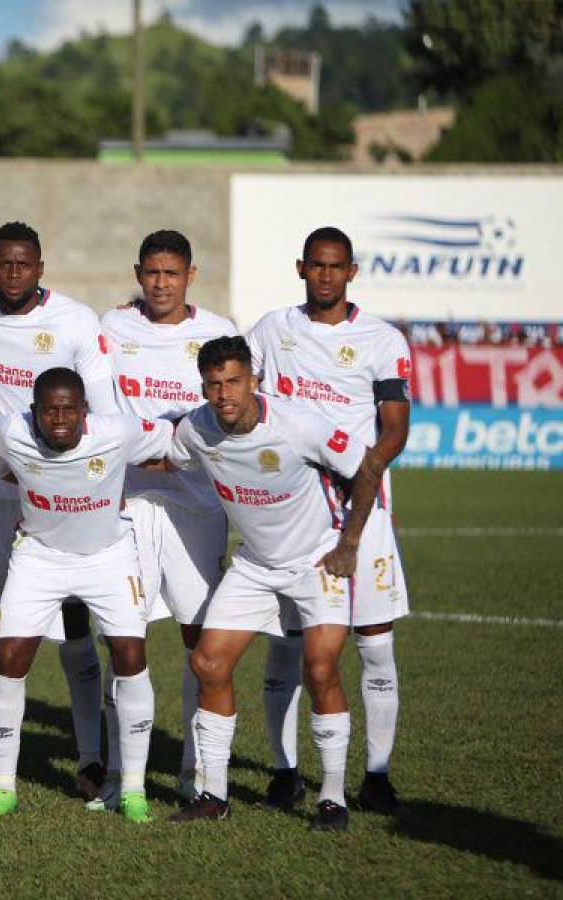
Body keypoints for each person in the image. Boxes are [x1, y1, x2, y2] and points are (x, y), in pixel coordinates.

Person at [0, 221, 117, 804]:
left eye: (24, 264)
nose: (13, 273)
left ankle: (89, 757)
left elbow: (103, 412)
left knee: (76, 624)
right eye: (3, 264)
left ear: (40, 267)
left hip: (59, 498)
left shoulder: (77, 321)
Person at [165, 336, 384, 831]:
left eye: (234, 382)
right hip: (256, 566)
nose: (224, 395)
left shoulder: (296, 425)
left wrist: (348, 544)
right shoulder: (196, 430)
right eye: (214, 385)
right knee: (208, 662)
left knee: (321, 667)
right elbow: (168, 457)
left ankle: (332, 798)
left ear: (254, 381)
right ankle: (214, 794)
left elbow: (367, 467)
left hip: (315, 561)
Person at [246, 227, 411, 815]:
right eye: (316, 265)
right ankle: (285, 772)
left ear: (352, 272)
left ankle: (379, 774)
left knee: (374, 643)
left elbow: (394, 428)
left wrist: (360, 473)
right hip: (290, 509)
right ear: (301, 268)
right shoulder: (272, 329)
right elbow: (240, 389)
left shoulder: (381, 340)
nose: (325, 275)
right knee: (288, 644)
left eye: (336, 266)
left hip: (362, 508)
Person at [0, 367, 173, 823]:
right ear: (33, 411)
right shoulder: (11, 430)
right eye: (49, 410)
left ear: (85, 411)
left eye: (69, 409)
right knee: (9, 658)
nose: (59, 419)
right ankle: (3, 788)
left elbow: (177, 440)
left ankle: (133, 790)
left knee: (130, 655)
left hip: (108, 556)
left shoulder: (118, 430)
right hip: (39, 557)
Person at [96, 229, 235, 807]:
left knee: (198, 639)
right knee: (123, 640)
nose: (160, 284)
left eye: (171, 274)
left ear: (190, 276)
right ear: (138, 272)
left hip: (195, 507)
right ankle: (119, 777)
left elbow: (233, 414)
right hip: (126, 503)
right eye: (151, 273)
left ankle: (195, 772)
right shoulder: (111, 326)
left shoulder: (220, 332)